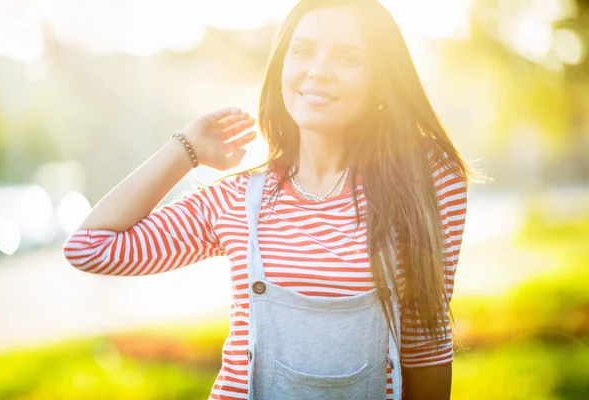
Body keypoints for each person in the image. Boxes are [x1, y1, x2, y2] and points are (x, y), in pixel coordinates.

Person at [63, 0, 479, 398]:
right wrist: (185, 150)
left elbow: (428, 340)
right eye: (303, 51)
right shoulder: (237, 199)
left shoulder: (427, 181)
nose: (318, 72)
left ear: (381, 79)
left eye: (347, 58)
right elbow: (90, 248)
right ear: (282, 66)